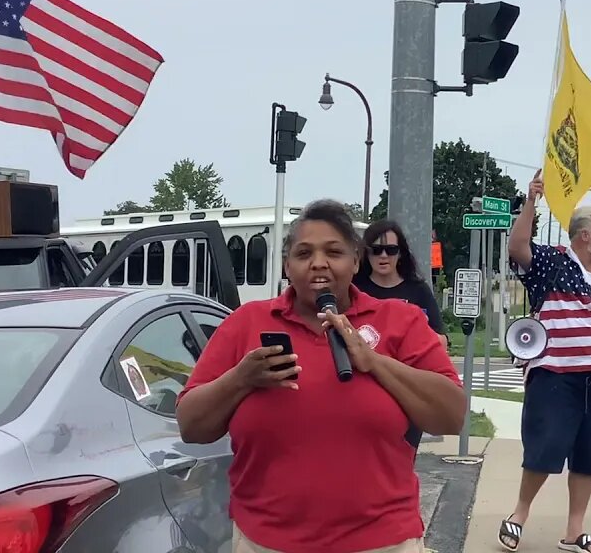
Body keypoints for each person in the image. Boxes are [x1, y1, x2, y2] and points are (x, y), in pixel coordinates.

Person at [174, 199, 466, 553]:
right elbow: (191, 425)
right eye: (303, 253)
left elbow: (452, 415)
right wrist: (241, 378)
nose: (318, 264)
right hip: (266, 541)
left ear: (355, 261)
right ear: (287, 265)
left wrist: (374, 362)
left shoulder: (400, 321)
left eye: (334, 252)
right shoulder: (246, 323)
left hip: (382, 541)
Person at [496, 170, 591, 553]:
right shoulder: (553, 264)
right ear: (584, 235)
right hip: (557, 377)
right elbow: (518, 248)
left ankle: (575, 530)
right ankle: (519, 515)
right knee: (545, 448)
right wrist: (532, 201)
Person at [354, 219, 447, 349]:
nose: (383, 256)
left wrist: (416, 331)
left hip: (407, 365)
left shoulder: (418, 289)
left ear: (400, 253)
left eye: (391, 250)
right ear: (366, 253)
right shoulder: (354, 289)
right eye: (376, 250)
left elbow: (442, 342)